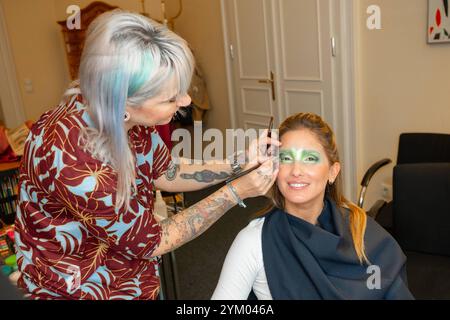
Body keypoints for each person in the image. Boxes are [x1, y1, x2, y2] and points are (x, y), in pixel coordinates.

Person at [14, 11, 279, 300]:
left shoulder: (126, 117)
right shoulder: (74, 161)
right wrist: (236, 191)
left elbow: (166, 171)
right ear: (124, 102)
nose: (186, 101)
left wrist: (240, 161)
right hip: (81, 288)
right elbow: (154, 240)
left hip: (129, 275)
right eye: (170, 98)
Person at [212, 113, 414, 300]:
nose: (296, 170)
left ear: (332, 172)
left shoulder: (360, 228)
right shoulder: (253, 242)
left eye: (309, 159)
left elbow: (389, 287)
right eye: (286, 158)